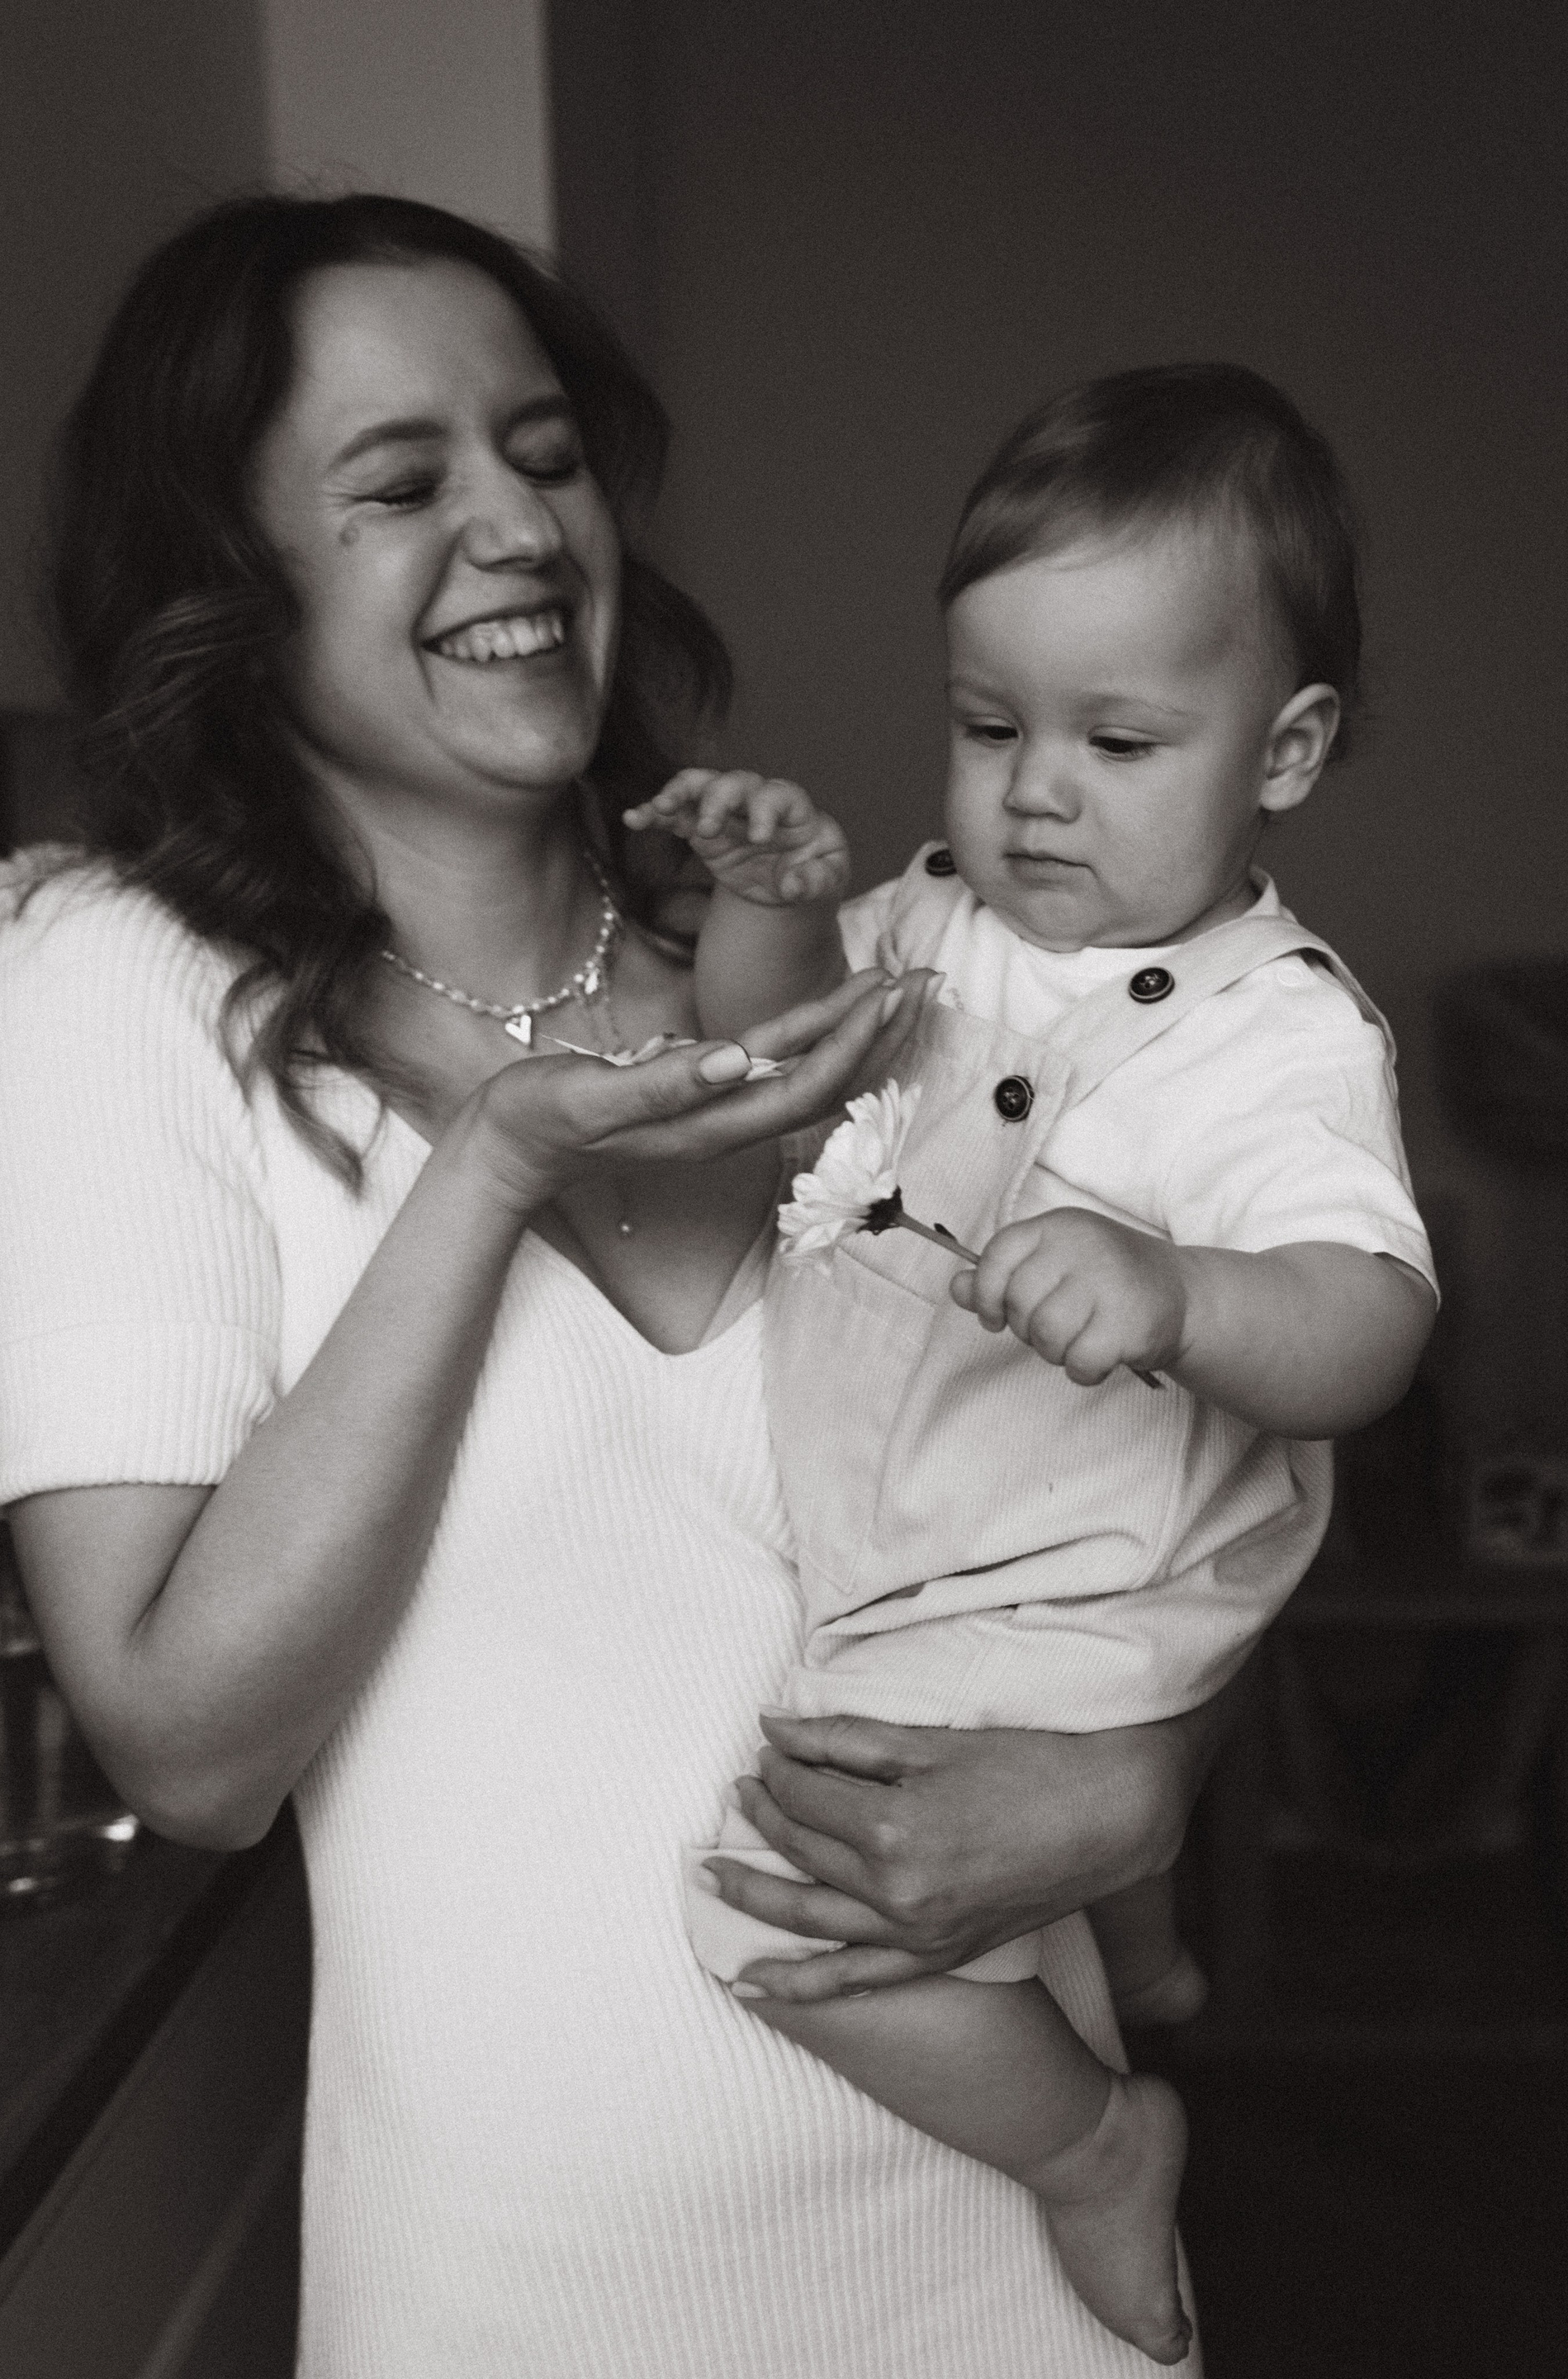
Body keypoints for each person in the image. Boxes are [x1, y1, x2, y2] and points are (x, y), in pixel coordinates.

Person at [0, 195, 1235, 2379]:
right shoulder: (119, 988)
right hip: (528, 2297)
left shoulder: (827, 963)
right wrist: (491, 1167)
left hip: (1025, 2244)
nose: (515, 524)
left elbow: (1133, 1485)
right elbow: (188, 1747)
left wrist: (1151, 1773)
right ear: (226, 582)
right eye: (400, 483)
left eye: (546, 453)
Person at [632, 365, 1438, 2364]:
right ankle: (1143, 1960)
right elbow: (774, 1067)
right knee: (1006, 1858)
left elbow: (1369, 1320)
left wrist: (1182, 1291)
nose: (1035, 790)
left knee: (766, 1902)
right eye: (990, 727)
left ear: (1285, 750)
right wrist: (771, 913)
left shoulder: (1271, 1035)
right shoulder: (938, 916)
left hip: (1080, 1568)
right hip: (933, 1532)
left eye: (1118, 740)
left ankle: (1094, 2142)